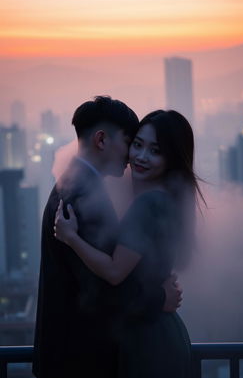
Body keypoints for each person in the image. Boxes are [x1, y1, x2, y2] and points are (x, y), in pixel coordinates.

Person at [33, 97, 183, 378]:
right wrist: (160, 297)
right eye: (131, 143)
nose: (131, 156)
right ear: (102, 140)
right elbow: (103, 290)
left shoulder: (71, 185)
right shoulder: (81, 196)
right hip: (81, 361)